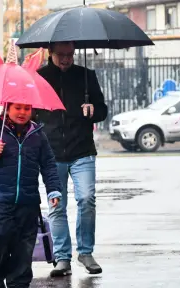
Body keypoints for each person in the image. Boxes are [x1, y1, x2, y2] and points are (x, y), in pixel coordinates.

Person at [34, 41, 108, 276]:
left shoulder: (86, 76)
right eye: (61, 55)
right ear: (50, 53)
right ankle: (62, 257)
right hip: (51, 153)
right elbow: (32, 112)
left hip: (82, 150)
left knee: (87, 199)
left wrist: (93, 110)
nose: (67, 59)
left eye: (70, 54)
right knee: (57, 206)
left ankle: (85, 252)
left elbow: (103, 109)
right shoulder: (40, 77)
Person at [0, 103, 62, 288]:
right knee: (0, 236)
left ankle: (19, 283)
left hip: (28, 199)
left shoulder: (37, 135)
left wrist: (53, 189)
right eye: (18, 108)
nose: (22, 113)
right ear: (7, 109)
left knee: (25, 244)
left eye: (27, 109)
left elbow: (48, 164)